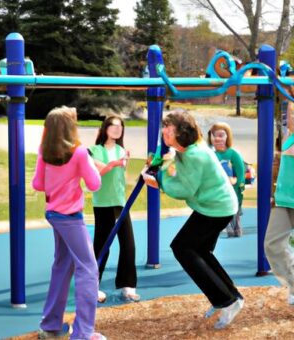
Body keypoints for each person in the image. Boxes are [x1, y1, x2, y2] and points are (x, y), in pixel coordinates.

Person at [142, 111, 244, 329]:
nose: (163, 131)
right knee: (200, 251)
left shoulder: (195, 154)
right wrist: (159, 167)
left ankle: (227, 301)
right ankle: (230, 296)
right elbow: (175, 167)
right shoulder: (186, 150)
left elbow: (184, 188)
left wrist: (159, 181)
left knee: (182, 248)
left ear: (180, 132)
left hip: (217, 208)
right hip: (212, 206)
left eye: (168, 128)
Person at [32, 106, 106, 340]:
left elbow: (38, 184)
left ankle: (51, 324)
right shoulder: (79, 152)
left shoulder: (44, 150)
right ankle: (83, 333)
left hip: (53, 214)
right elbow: (94, 184)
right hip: (70, 218)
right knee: (88, 269)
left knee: (63, 265)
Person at [89, 115, 139, 303]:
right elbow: (100, 171)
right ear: (105, 128)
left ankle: (128, 285)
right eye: (113, 126)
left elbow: (119, 172)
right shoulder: (94, 150)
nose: (118, 129)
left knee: (128, 244)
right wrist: (114, 164)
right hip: (102, 203)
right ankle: (92, 285)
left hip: (119, 203)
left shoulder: (121, 150)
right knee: (102, 246)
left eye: (120, 127)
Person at [264, 100, 294, 306]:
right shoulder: (287, 135)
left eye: (292, 114)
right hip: (284, 198)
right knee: (272, 244)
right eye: (289, 114)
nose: (289, 118)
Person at [208, 122, 246, 237]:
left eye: (221, 135)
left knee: (234, 211)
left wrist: (238, 185)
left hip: (233, 189)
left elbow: (240, 173)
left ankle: (236, 224)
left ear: (227, 137)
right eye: (215, 135)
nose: (218, 138)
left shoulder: (233, 154)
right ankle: (226, 225)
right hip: (218, 190)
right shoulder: (211, 155)